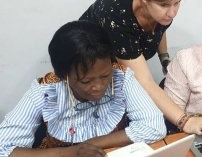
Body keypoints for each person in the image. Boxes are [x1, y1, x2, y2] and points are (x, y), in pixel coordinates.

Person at [79, 0, 202, 133]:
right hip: (90, 74)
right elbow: (144, 81)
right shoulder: (117, 15)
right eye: (164, 5)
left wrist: (164, 58)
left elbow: (160, 29)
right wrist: (186, 121)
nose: (172, 12)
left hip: (118, 73)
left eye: (177, 3)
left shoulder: (161, 10)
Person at [0, 21, 166, 157]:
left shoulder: (121, 77)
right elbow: (4, 149)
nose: (99, 87)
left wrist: (91, 145)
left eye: (105, 76)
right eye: (86, 81)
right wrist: (72, 152)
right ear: (63, 75)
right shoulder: (45, 91)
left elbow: (154, 127)